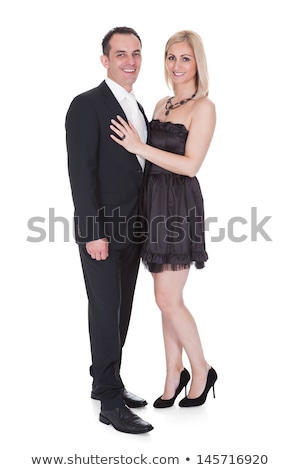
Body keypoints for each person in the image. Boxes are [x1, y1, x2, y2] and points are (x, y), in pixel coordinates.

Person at [110, 30, 217, 408]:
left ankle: (201, 369)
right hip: (152, 204)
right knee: (166, 299)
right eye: (171, 57)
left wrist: (139, 146)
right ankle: (174, 371)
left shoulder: (203, 107)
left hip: (178, 204)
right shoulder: (161, 103)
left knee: (167, 298)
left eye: (185, 58)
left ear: (196, 62)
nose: (177, 65)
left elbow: (191, 165)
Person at [65, 27, 153, 434]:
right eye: (120, 54)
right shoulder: (86, 105)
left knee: (122, 312)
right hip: (102, 232)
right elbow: (81, 176)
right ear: (105, 60)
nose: (129, 61)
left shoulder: (137, 106)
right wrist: (92, 232)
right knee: (105, 313)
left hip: (134, 230)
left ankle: (108, 382)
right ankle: (110, 404)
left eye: (135, 53)